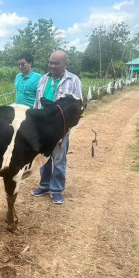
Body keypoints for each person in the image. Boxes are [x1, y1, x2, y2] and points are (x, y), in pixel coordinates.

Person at [31, 50, 83, 204]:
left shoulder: (73, 81)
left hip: (61, 129)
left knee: (59, 159)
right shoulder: (43, 80)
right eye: (50, 62)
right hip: (42, 127)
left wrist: (67, 128)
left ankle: (57, 189)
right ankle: (45, 185)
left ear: (65, 64)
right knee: (43, 158)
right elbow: (37, 102)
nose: (52, 66)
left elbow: (78, 107)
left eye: (56, 63)